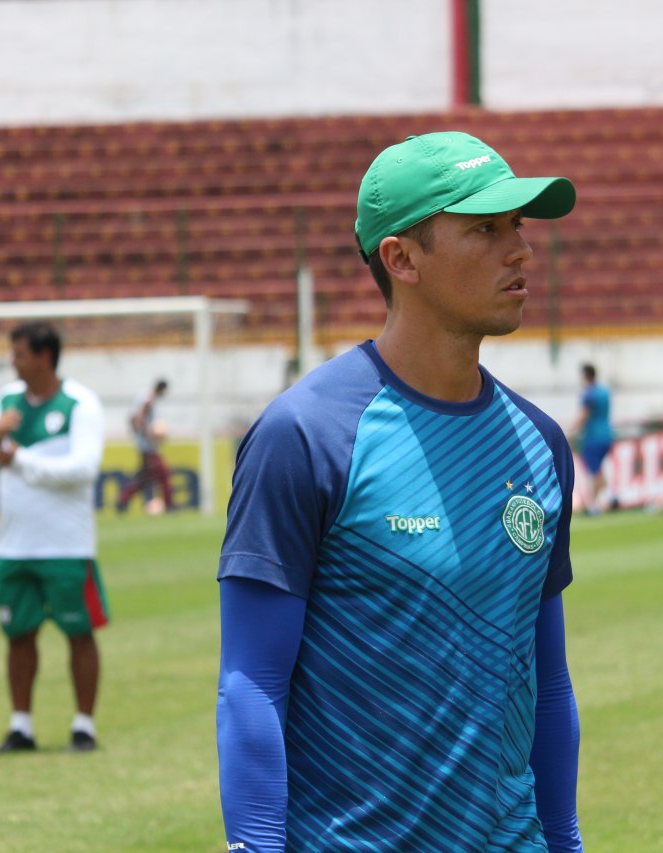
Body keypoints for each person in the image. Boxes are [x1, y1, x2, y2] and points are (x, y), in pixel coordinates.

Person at [216, 132, 584, 849]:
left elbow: (548, 683)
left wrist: (565, 841)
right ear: (402, 258)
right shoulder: (307, 434)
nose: (520, 250)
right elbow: (251, 684)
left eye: (518, 226)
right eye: (484, 229)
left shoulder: (540, 442)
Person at [0, 322, 109, 754]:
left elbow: (83, 469)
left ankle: (83, 725)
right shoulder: (6, 401)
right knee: (18, 634)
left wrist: (21, 458)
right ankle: (21, 726)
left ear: (44, 357)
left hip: (66, 545)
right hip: (13, 544)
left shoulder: (80, 404)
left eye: (19, 354)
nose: (12, 362)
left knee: (79, 632)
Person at [115, 378, 174, 513]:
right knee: (163, 474)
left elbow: (132, 418)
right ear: (161, 389)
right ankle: (170, 506)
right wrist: (150, 434)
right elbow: (139, 418)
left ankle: (122, 501)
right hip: (148, 446)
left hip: (144, 445)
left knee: (144, 477)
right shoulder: (149, 399)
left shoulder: (143, 396)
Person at [571, 363, 614, 514]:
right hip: (607, 435)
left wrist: (571, 431)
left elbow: (584, 414)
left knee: (594, 471)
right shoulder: (604, 392)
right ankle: (608, 496)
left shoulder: (590, 394)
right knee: (598, 471)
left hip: (593, 437)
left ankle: (594, 506)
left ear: (585, 375)